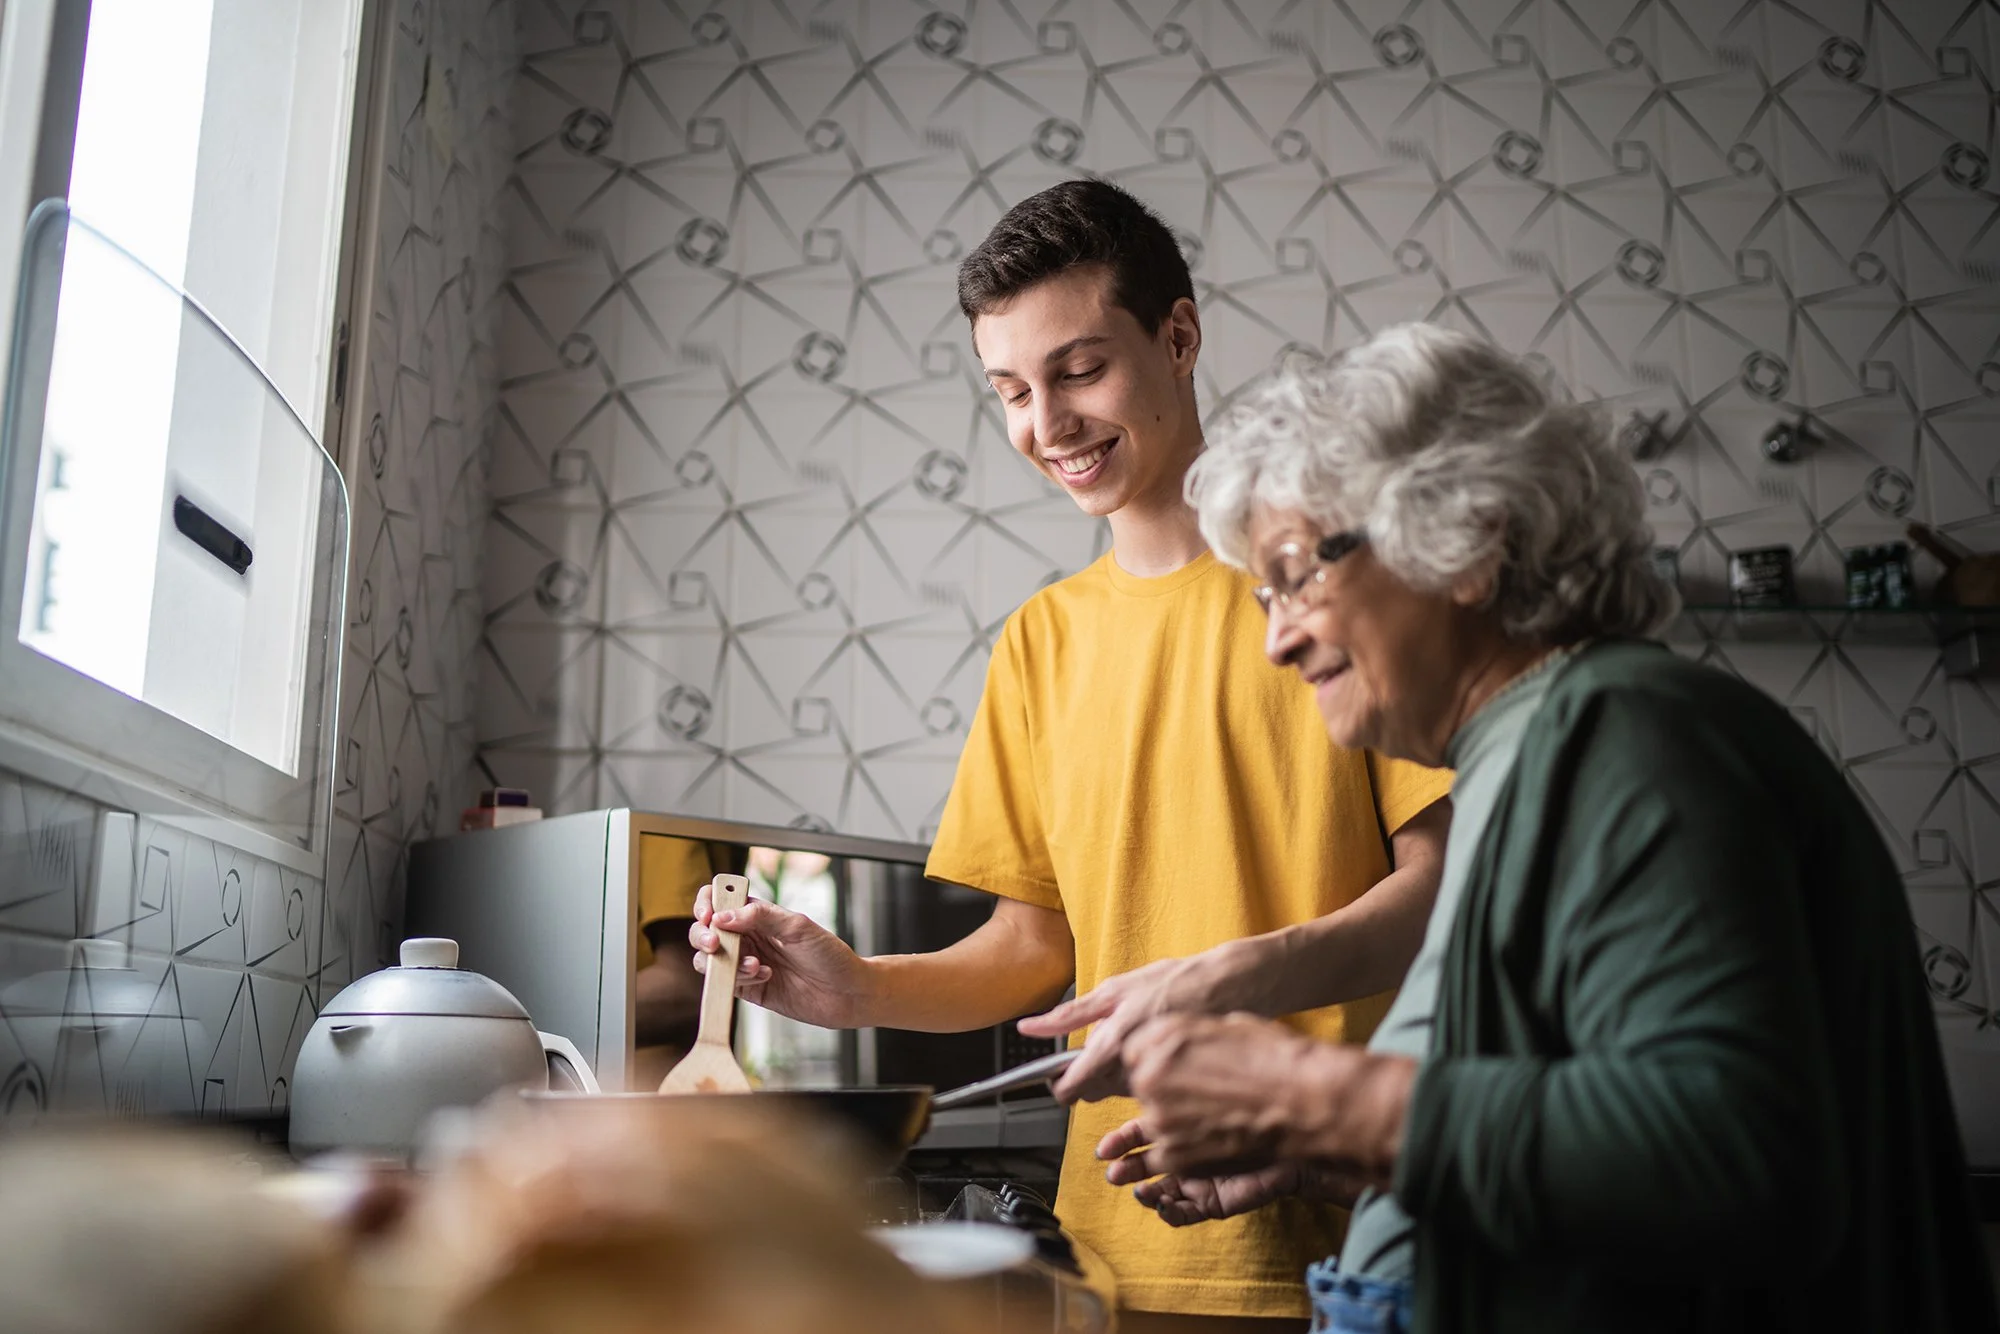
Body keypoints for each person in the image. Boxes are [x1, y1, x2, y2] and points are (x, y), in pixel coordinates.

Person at [1088, 322, 1999, 1333]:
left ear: (1467, 542)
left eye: (1299, 571)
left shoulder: (1624, 730)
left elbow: (1735, 1151)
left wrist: (1316, 1096)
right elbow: (1576, 1156)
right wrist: (1334, 1157)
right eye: (1263, 593)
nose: (1276, 636)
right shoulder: (1529, 755)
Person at [689, 180, 1452, 1328]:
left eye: (1078, 370)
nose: (1045, 425)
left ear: (1177, 337)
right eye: (1008, 390)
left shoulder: (1329, 584)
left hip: (1354, 1229)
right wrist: (856, 990)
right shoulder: (1039, 643)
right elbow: (1031, 948)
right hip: (1115, 1241)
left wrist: (1233, 973)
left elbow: (1444, 887)